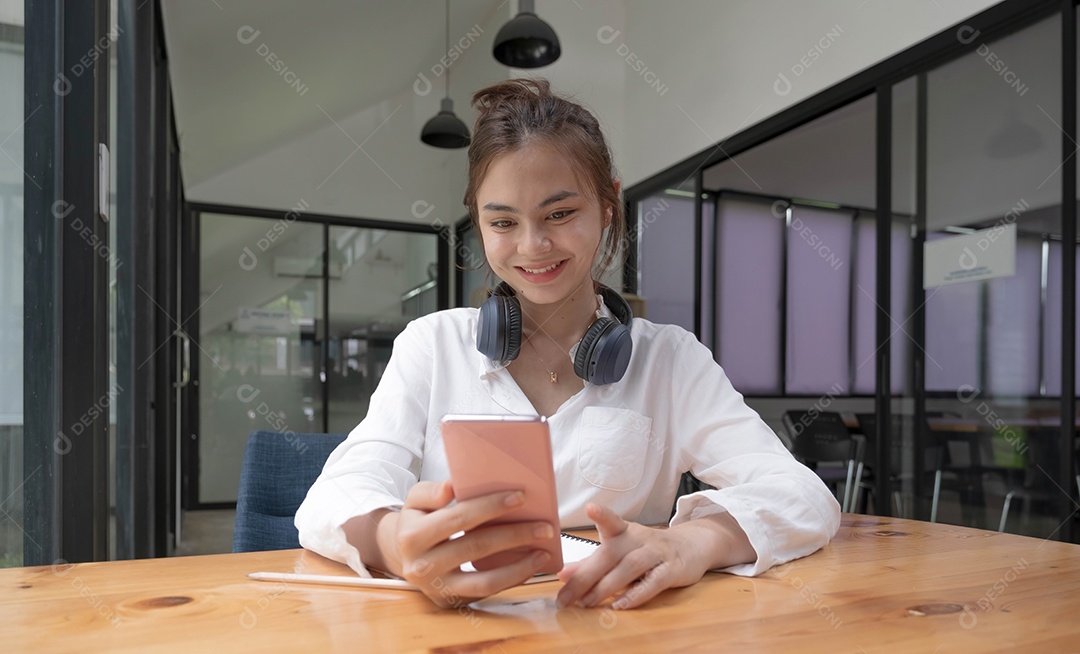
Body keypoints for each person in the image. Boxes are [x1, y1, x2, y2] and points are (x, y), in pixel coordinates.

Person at [296, 78, 840, 610]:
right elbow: (336, 494)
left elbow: (802, 494)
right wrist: (392, 539)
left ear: (607, 207)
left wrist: (688, 544)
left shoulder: (671, 359)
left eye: (559, 214)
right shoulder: (432, 345)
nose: (533, 246)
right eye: (504, 221)